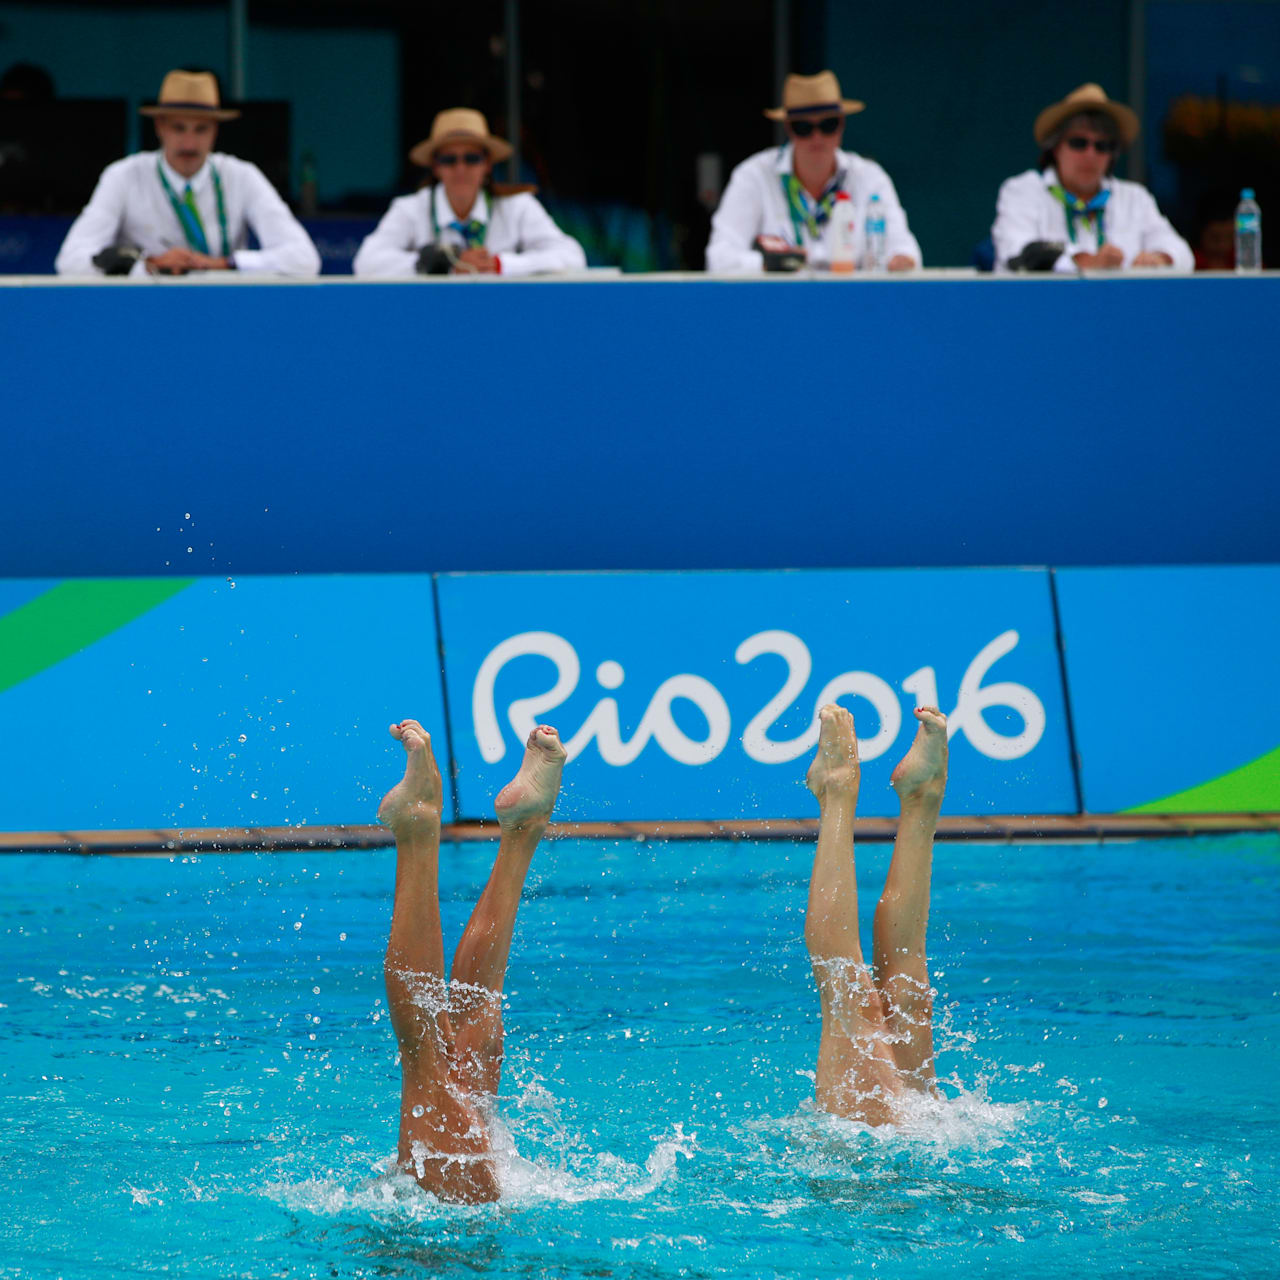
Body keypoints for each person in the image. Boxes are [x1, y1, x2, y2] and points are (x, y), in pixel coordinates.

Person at [377, 717, 567, 1202]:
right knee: (459, 1070)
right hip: (467, 1233)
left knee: (444, 1068)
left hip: (440, 1240)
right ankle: (515, 830)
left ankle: (431, 827)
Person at [803, 702, 948, 1123]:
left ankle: (844, 791)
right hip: (903, 1160)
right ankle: (918, 799)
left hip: (869, 1172)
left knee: (858, 998)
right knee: (908, 998)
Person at [55, 69, 320, 278]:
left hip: (223, 311)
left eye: (201, 129)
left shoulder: (242, 176)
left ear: (216, 130)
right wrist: (149, 264)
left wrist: (224, 263)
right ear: (160, 127)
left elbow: (305, 259)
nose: (189, 144)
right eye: (179, 128)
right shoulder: (123, 176)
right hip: (146, 311)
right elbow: (70, 260)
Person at [706, 71, 920, 274]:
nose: (817, 138)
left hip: (855, 304)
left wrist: (901, 260)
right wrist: (770, 263)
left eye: (828, 125)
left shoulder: (871, 178)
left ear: (842, 126)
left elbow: (904, 249)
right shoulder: (754, 176)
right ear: (789, 129)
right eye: (804, 128)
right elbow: (719, 257)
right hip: (781, 305)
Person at [353, 109, 586, 277]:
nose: (460, 168)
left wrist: (499, 264)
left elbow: (573, 258)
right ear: (435, 167)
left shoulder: (518, 206)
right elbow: (365, 263)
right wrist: (440, 263)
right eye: (449, 159)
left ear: (487, 164)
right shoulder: (410, 208)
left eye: (472, 158)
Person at [992, 83, 1192, 273]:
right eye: (1079, 143)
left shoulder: (1134, 198)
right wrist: (1083, 261)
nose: (1090, 154)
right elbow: (1016, 251)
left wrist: (1161, 258)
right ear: (1055, 147)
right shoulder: (1023, 191)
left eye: (1102, 146)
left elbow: (1182, 253)